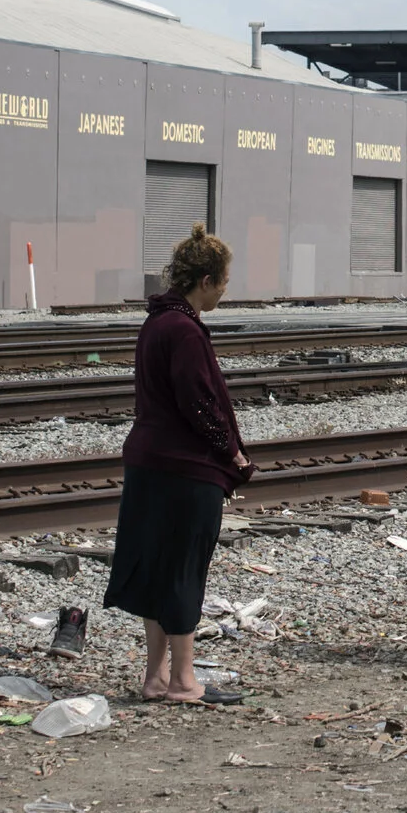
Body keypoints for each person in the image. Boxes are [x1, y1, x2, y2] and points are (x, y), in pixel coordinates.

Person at [103, 222, 252, 705]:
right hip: (186, 469)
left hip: (148, 463)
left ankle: (156, 678)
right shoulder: (185, 330)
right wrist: (229, 449)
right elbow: (200, 402)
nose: (225, 290)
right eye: (224, 281)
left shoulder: (155, 323)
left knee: (158, 570)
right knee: (185, 570)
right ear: (205, 280)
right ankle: (185, 682)